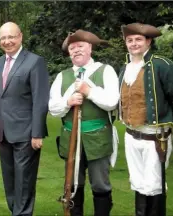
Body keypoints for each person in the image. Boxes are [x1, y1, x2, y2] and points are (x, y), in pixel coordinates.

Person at [49, 29, 119, 216]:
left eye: (80, 46)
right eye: (72, 48)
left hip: (98, 139)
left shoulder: (105, 71)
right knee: (73, 184)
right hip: (70, 139)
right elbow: (53, 108)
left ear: (90, 48)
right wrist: (68, 102)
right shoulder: (62, 76)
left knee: (100, 185)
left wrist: (89, 91)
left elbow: (112, 102)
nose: (76, 50)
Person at [119, 23, 173, 216]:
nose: (134, 44)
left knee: (154, 184)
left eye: (138, 39)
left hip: (156, 139)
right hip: (131, 136)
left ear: (148, 41)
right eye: (130, 40)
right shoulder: (124, 68)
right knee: (138, 182)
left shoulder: (162, 65)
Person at [0, 22, 49, 216]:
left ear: (21, 37)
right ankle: (15, 212)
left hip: (26, 134)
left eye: (11, 37)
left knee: (24, 181)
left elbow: (40, 100)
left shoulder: (35, 61)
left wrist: (37, 133)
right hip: (3, 134)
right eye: (3, 38)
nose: (7, 41)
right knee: (9, 181)